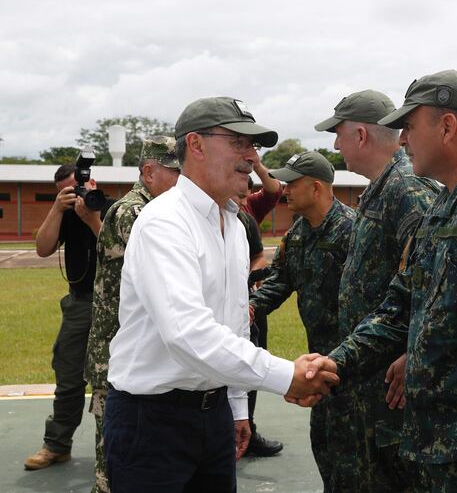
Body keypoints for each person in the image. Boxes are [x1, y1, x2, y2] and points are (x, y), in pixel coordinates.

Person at [301, 70, 457, 492]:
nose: (401, 140)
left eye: (410, 127)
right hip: (431, 439)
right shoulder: (446, 204)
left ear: (447, 126)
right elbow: (399, 307)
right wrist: (336, 363)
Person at [103, 96, 338, 493]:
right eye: (239, 143)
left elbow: (232, 324)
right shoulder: (165, 223)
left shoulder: (230, 220)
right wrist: (284, 376)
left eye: (253, 146)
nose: (251, 156)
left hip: (211, 416)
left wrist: (235, 408)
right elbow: (188, 334)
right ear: (195, 145)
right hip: (152, 422)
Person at [314, 89, 438, 492]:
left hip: (391, 384)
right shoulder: (383, 188)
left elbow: (432, 282)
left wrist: (410, 351)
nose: (335, 145)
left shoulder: (408, 189)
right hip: (371, 377)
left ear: (362, 135)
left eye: (339, 134)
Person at [249, 151, 355, 489]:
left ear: (317, 187)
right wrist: (249, 308)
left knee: (357, 459)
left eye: (291, 183)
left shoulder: (353, 231)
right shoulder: (296, 236)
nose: (284, 190)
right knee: (323, 445)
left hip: (358, 365)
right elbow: (281, 281)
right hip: (317, 364)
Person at [84, 136, 180, 493]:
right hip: (115, 352)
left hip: (133, 350)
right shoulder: (133, 212)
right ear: (148, 171)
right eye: (173, 172)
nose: (179, 181)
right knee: (113, 460)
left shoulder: (155, 207)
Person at [25, 162, 114, 471]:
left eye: (79, 187)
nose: (75, 194)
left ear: (92, 182)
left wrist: (92, 218)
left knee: (118, 380)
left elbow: (122, 252)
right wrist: (56, 210)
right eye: (67, 191)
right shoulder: (62, 215)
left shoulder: (115, 209)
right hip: (79, 304)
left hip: (116, 306)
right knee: (68, 377)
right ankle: (57, 445)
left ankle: (118, 448)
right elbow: (42, 248)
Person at [234, 176, 284, 458]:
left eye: (245, 197)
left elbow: (257, 257)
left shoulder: (245, 221)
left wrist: (252, 281)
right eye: (239, 196)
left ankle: (246, 427)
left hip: (248, 305)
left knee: (249, 365)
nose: (243, 203)